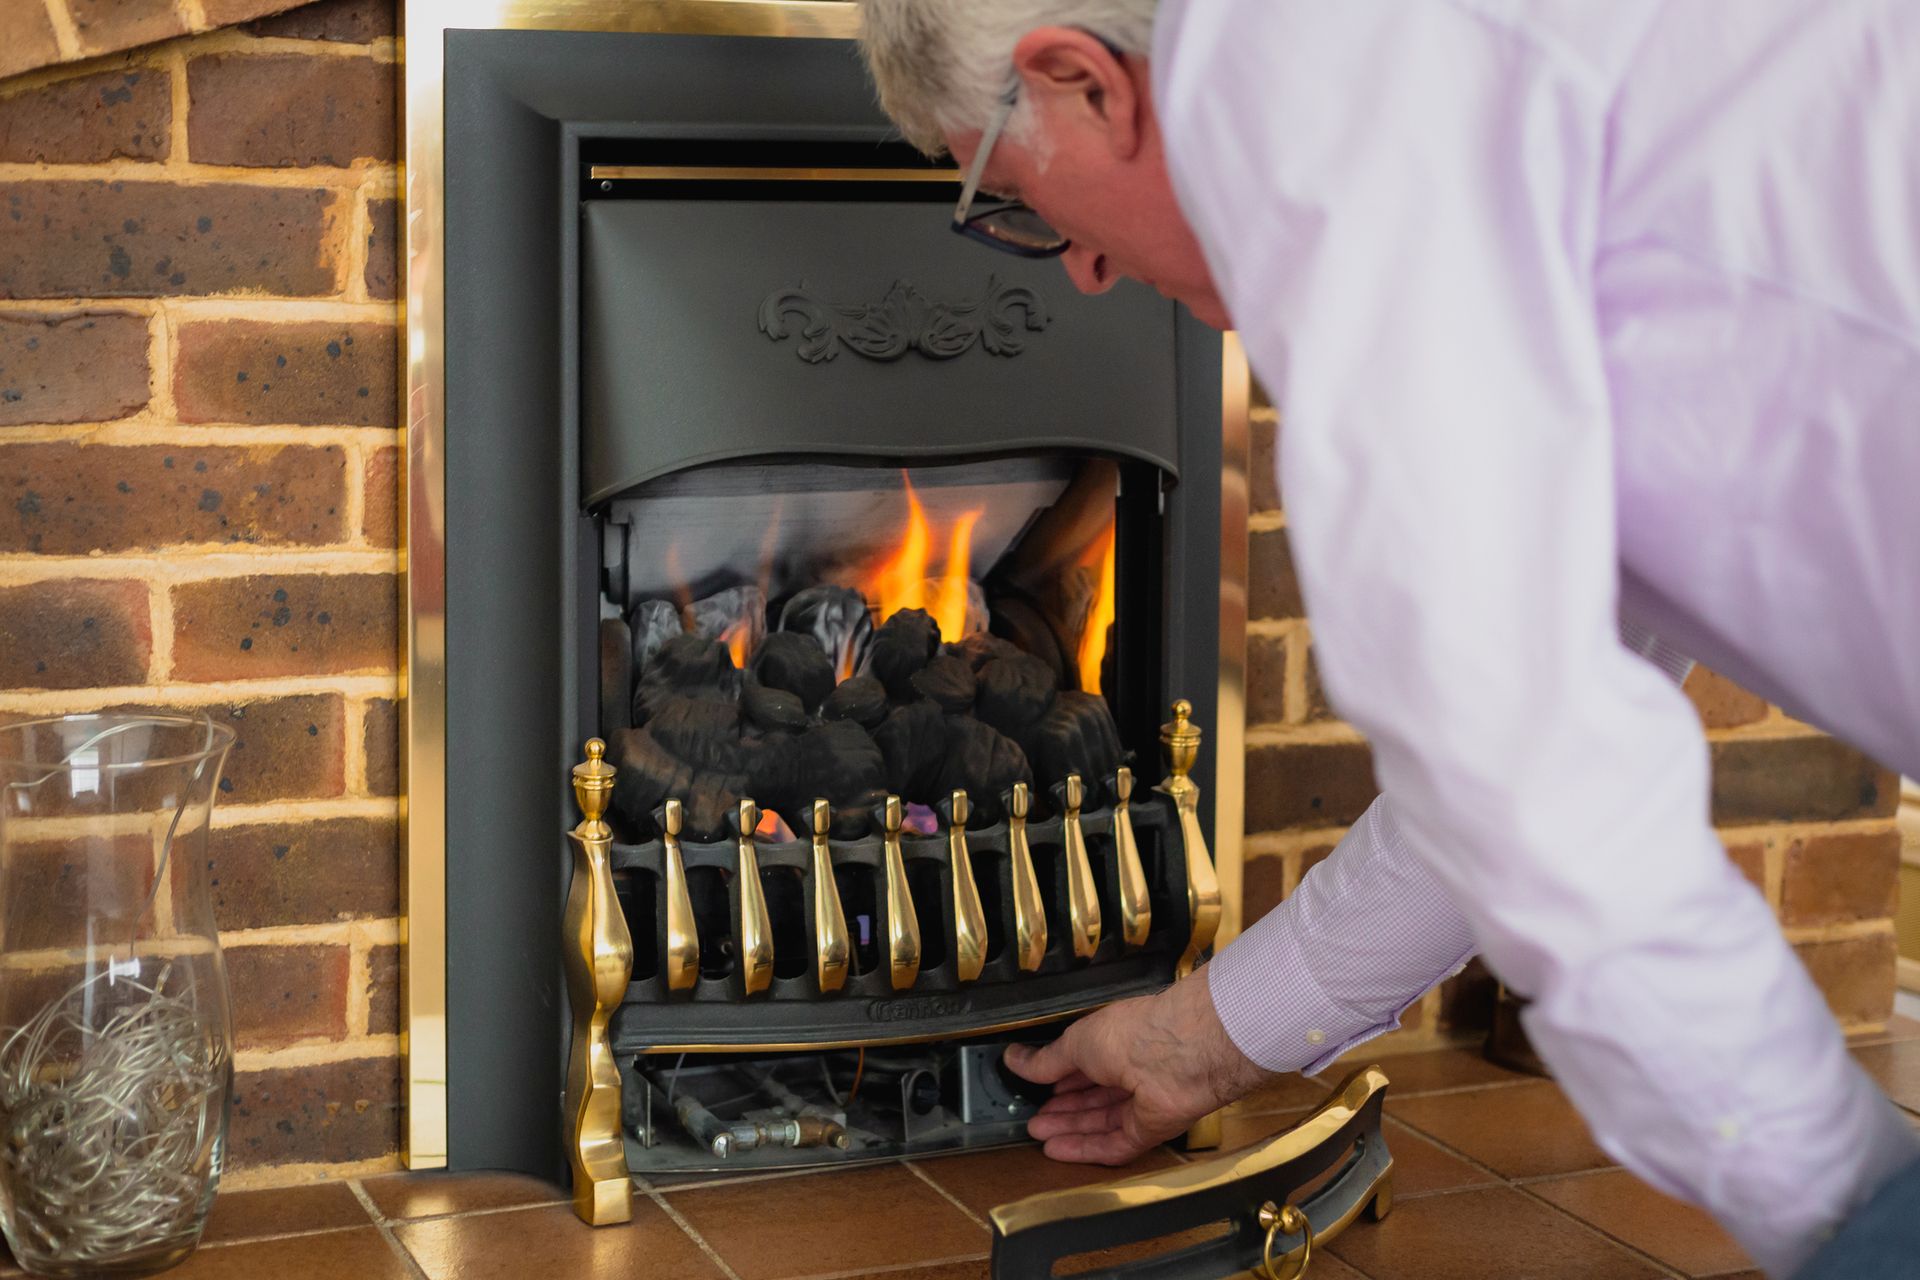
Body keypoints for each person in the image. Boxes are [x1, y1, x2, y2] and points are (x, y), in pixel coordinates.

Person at [856, 3, 1920, 1277]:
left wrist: (1847, 1206)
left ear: (1084, 81)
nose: (1078, 265)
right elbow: (1514, 728)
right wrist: (1199, 1038)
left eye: (1017, 196)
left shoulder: (1337, 137)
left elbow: (1528, 790)